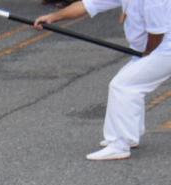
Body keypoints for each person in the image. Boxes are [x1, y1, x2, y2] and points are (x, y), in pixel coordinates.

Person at [35, 0, 171, 160]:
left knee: (123, 86)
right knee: (128, 83)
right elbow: (87, 5)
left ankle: (119, 145)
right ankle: (130, 136)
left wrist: (146, 55)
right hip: (152, 50)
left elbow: (157, 33)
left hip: (163, 51)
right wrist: (53, 17)